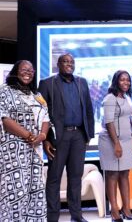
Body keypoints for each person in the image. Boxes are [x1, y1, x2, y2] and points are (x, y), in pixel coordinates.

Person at [38, 53, 94, 222]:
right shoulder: (47, 83)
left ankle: (76, 215)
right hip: (57, 137)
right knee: (54, 177)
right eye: (65, 62)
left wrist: (88, 134)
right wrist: (46, 139)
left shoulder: (81, 82)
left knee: (76, 176)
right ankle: (52, 217)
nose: (69, 64)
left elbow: (89, 109)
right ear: (58, 64)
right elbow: (41, 113)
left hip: (79, 135)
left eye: (72, 62)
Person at [0, 60, 50, 221]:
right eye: (24, 69)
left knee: (35, 188)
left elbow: (46, 118)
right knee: (15, 190)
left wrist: (42, 136)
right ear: (15, 71)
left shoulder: (37, 95)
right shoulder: (5, 92)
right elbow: (5, 119)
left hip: (35, 149)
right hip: (14, 150)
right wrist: (29, 136)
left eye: (31, 70)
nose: (28, 72)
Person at [98, 70, 132, 222]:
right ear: (116, 81)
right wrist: (116, 144)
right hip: (111, 141)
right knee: (112, 175)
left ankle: (126, 209)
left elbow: (128, 119)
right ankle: (114, 210)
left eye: (128, 80)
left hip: (127, 141)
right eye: (122, 80)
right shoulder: (110, 98)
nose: (126, 82)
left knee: (125, 175)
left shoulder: (126, 97)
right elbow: (109, 122)